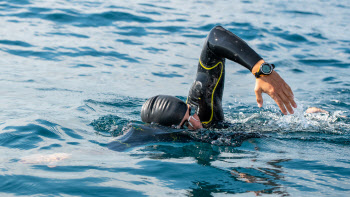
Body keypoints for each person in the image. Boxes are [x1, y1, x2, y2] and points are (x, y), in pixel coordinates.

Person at [141, 26, 297, 130]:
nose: (196, 120)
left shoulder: (203, 110)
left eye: (191, 111)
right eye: (186, 124)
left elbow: (215, 36)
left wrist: (260, 70)